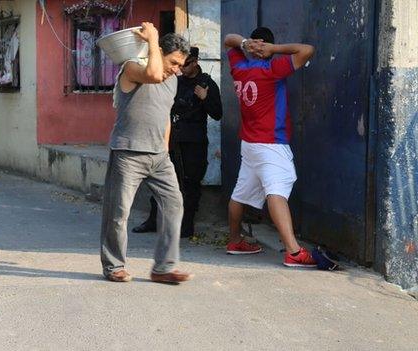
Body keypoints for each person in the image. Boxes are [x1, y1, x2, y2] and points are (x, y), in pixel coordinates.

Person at [100, 22, 193, 284]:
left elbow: (165, 116)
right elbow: (152, 73)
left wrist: (164, 149)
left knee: (174, 205)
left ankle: (163, 267)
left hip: (158, 156)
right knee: (118, 213)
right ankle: (114, 265)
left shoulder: (172, 81)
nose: (176, 70)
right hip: (128, 152)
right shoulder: (132, 68)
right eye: (173, 62)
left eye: (180, 65)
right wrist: (152, 38)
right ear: (158, 51)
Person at [223, 27, 317, 267]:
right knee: (277, 190)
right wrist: (274, 49)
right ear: (267, 49)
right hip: (271, 144)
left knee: (240, 193)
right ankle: (294, 252)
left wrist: (244, 43)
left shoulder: (239, 68)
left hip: (250, 143)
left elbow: (228, 41)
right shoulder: (272, 70)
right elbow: (308, 50)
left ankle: (235, 241)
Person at [133, 47, 223, 237]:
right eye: (180, 63)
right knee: (160, 179)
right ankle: (153, 220)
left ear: (196, 61)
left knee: (191, 184)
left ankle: (187, 225)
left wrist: (205, 98)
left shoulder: (206, 83)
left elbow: (217, 113)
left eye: (187, 64)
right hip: (172, 139)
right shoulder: (176, 81)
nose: (182, 68)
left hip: (194, 141)